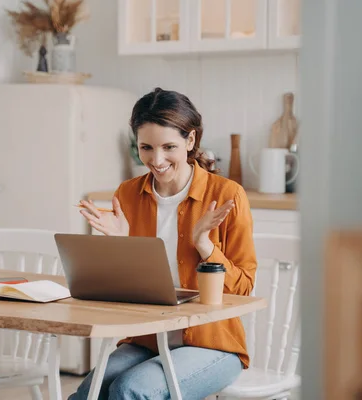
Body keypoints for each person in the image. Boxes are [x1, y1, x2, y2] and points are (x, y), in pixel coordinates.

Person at [72, 87, 257, 400]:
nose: (156, 160)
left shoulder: (227, 195)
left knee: (128, 390)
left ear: (191, 141)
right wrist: (119, 245)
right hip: (146, 338)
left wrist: (204, 245)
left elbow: (243, 289)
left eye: (169, 146)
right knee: (90, 391)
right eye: (146, 147)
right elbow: (125, 292)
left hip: (213, 345)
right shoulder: (128, 194)